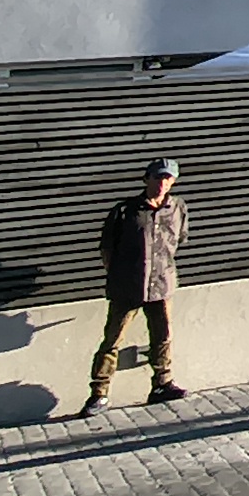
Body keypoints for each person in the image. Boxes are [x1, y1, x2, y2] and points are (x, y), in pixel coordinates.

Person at [82, 157, 189, 415]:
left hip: (161, 284)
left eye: (168, 178)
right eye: (158, 177)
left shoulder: (178, 208)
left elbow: (179, 240)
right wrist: (121, 275)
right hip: (127, 287)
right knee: (113, 339)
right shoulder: (125, 211)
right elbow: (107, 249)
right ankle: (99, 393)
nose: (162, 183)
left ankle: (162, 384)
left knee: (162, 336)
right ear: (146, 179)